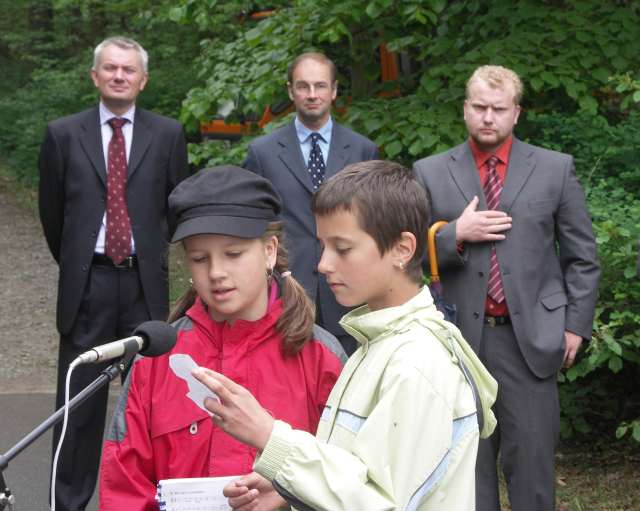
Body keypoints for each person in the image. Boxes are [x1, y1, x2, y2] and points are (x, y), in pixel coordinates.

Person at [192, 160, 498, 510]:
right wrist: (292, 486)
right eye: (323, 246)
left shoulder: (417, 363)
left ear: (402, 249)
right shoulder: (379, 343)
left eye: (342, 248)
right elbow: (364, 474)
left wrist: (269, 435)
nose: (323, 264)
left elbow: (383, 505)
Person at [99, 165, 345, 510]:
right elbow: (124, 487)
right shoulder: (155, 358)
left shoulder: (322, 357)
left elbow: (349, 483)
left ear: (270, 251)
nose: (216, 272)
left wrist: (292, 494)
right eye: (200, 258)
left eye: (233, 254)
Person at [413, 65, 601, 510]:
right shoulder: (429, 171)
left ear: (516, 113)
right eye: (479, 107)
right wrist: (455, 234)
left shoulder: (555, 169)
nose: (488, 117)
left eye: (498, 109)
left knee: (533, 473)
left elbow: (582, 256)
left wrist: (575, 325)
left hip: (530, 340)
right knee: (467, 475)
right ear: (465, 109)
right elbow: (406, 251)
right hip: (458, 343)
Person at [38, 36, 189, 510]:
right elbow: (53, 216)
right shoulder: (63, 134)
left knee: (154, 404)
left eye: (128, 69)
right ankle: (68, 503)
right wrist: (82, 265)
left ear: (143, 80)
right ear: (95, 76)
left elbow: (176, 206)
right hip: (88, 286)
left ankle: (154, 500)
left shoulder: (168, 134)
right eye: (110, 68)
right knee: (79, 406)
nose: (119, 75)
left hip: (145, 286)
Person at [244, 52, 379, 355]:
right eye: (303, 86)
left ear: (334, 90)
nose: (312, 94)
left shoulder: (363, 150)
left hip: (350, 291)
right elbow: (254, 224)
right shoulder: (262, 153)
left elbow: (374, 225)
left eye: (320, 86)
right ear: (291, 91)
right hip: (285, 291)